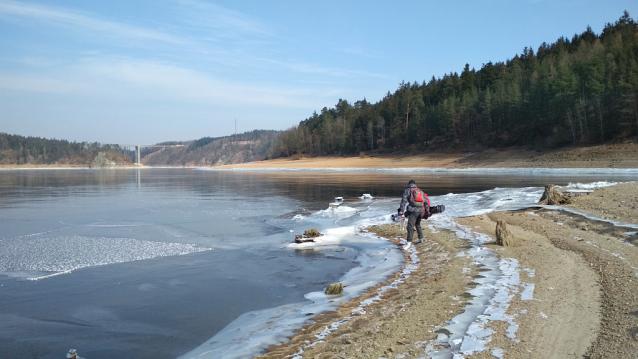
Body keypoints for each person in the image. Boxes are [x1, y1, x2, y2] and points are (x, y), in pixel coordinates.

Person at [398, 179, 430, 244]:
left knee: (410, 226)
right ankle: (420, 239)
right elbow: (426, 202)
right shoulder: (419, 191)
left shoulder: (407, 190)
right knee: (418, 224)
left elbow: (403, 201)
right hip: (421, 210)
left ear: (408, 184)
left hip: (413, 211)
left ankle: (409, 242)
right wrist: (427, 211)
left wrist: (401, 210)